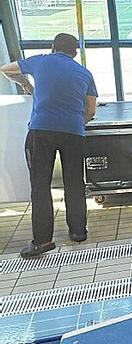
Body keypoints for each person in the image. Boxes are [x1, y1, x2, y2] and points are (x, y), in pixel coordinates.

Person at [1, 33, 97, 258]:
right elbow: (91, 110)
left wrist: (25, 84)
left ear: (53, 47)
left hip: (42, 131)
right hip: (73, 133)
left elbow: (6, 69)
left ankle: (43, 241)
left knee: (41, 186)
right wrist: (76, 124)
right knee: (74, 182)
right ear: (75, 53)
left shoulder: (41, 60)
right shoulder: (85, 73)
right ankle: (78, 232)